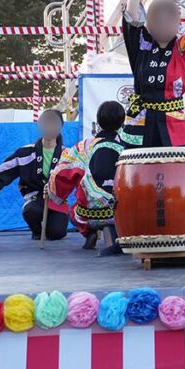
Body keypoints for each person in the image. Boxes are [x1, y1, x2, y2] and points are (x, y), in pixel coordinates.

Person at [121, 0, 185, 148]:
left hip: (174, 126)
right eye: (157, 20)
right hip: (140, 123)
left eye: (169, 20)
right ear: (149, 24)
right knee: (137, 171)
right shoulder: (141, 46)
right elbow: (131, 15)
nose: (163, 24)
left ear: (178, 23)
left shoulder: (182, 50)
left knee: (177, 171)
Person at [48, 101, 126, 255]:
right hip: (120, 212)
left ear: (98, 122)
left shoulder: (84, 146)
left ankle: (89, 232)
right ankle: (113, 232)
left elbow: (62, 173)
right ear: (122, 122)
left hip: (87, 213)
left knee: (74, 210)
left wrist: (53, 192)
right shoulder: (127, 147)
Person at [0, 109, 68, 241]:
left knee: (56, 233)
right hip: (34, 199)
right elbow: (6, 168)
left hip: (56, 200)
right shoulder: (26, 152)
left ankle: (52, 226)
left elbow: (78, 177)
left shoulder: (67, 155)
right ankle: (37, 230)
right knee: (31, 211)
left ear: (61, 126)